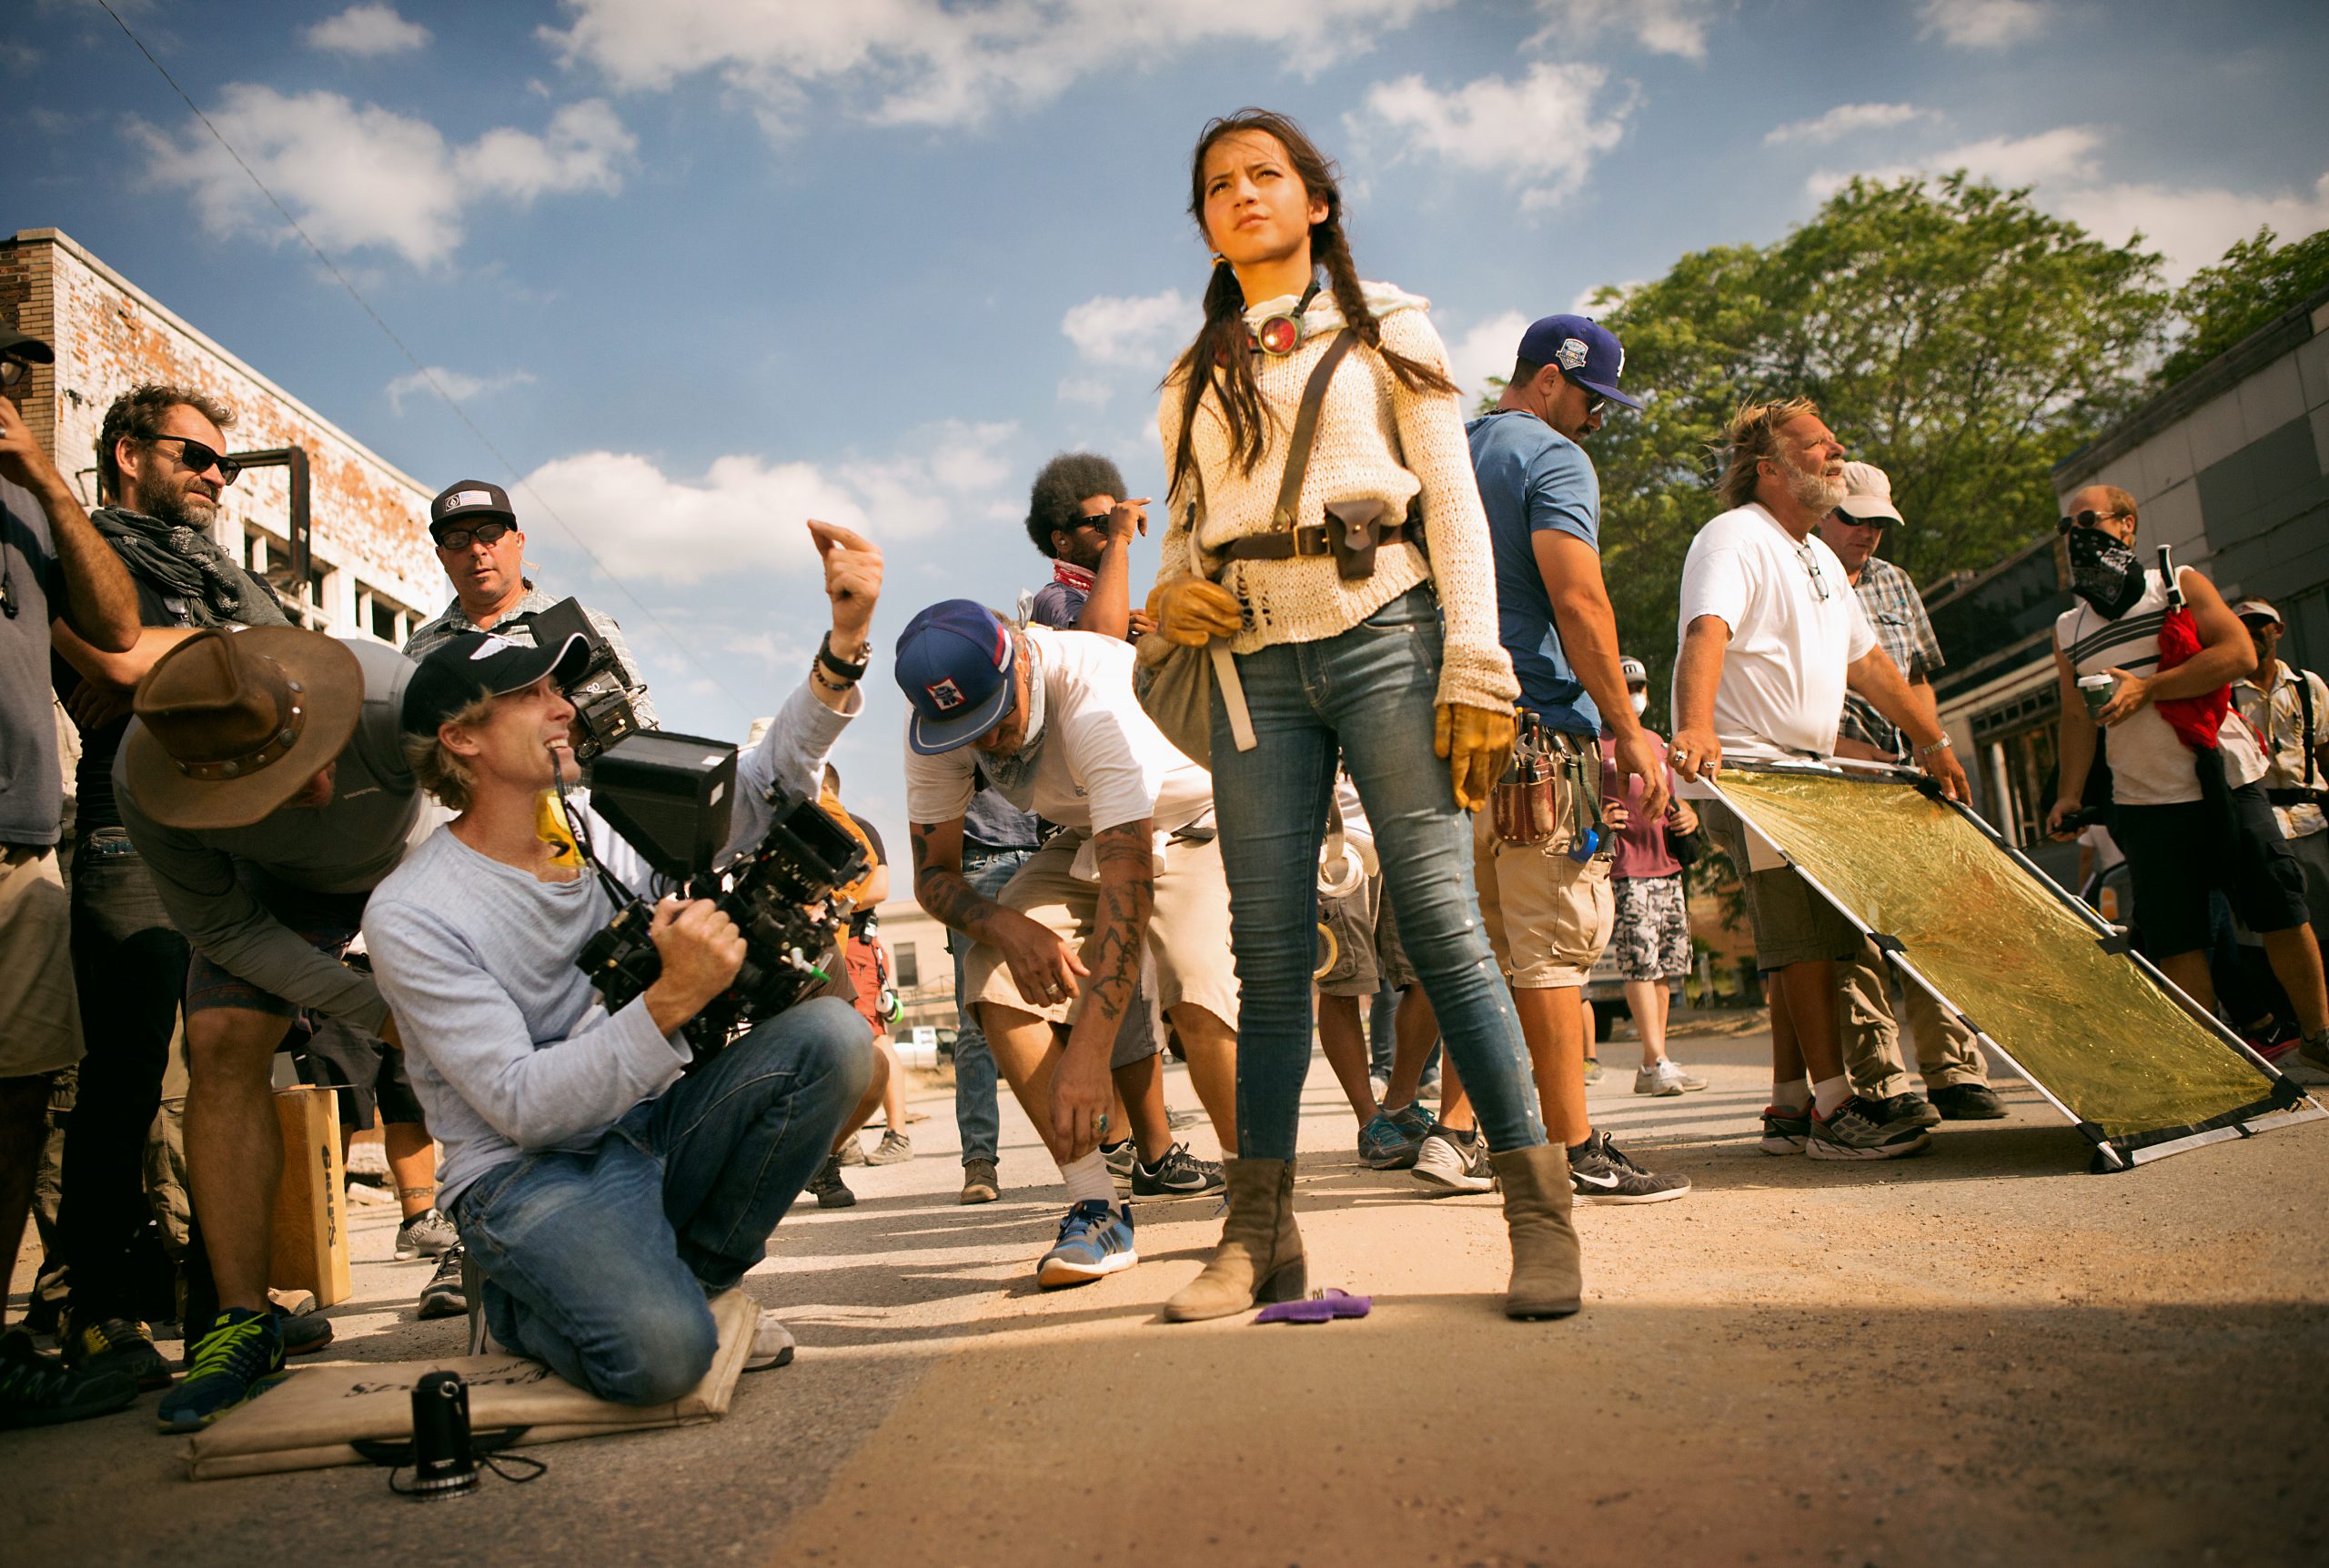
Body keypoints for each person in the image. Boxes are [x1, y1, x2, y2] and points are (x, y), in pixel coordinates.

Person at [1144, 109, 1577, 1322]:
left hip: (1390, 629)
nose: (1243, 196)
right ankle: (1257, 1237)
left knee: (1442, 922)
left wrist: (1476, 660)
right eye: (1219, 185)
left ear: (1316, 203)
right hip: (1252, 666)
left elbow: (1450, 499)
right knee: (1271, 957)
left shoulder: (1391, 322)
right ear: (1205, 219)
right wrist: (1176, 591)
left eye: (1266, 177)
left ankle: (1540, 1218)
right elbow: (1182, 534)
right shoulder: (1188, 378)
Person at [364, 521, 885, 1405]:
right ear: (461, 738)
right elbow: (522, 1107)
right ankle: (527, 1304)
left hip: (642, 1125)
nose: (566, 705)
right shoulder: (413, 910)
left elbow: (759, 784)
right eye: (529, 694)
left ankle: (697, 1276)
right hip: (529, 1174)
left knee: (835, 1038)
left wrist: (842, 648)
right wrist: (672, 997)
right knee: (662, 1361)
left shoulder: (596, 821)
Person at [113, 622, 426, 1430]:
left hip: (420, 857)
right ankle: (243, 1323)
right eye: (264, 788)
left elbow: (493, 799)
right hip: (277, 892)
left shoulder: (393, 695)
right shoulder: (145, 788)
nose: (305, 792)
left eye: (301, 759)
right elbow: (225, 931)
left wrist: (440, 994)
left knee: (486, 1015)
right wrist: (382, 1017)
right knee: (218, 1042)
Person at [41, 385, 288, 1395]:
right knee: (125, 1070)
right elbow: (106, 654)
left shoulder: (219, 570)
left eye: (225, 465)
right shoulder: (85, 546)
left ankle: (228, 1306)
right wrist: (129, 660)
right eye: (196, 457)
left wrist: (159, 661)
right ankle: (96, 1307)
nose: (216, 479)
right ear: (127, 454)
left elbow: (288, 665)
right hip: (128, 822)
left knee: (235, 1059)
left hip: (233, 831)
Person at [1668, 397, 1972, 1162]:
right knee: (1803, 943)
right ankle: (1836, 1111)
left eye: (1836, 445)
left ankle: (1790, 1104)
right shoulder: (1734, 536)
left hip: (1811, 773)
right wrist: (1696, 729)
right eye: (1818, 447)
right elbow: (1706, 631)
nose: (1836, 454)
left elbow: (1868, 664)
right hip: (1759, 770)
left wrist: (1930, 737)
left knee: (1806, 940)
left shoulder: (1820, 560)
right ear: (1769, 469)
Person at [902, 600, 1235, 1291]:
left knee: (1194, 983)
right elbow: (933, 874)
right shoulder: (938, 730)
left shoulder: (1091, 692)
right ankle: (1097, 1206)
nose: (987, 741)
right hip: (1089, 838)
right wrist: (1006, 925)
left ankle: (1255, 1189)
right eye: (968, 730)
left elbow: (1131, 884)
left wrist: (1087, 1053)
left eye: (998, 717)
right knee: (990, 976)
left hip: (1196, 821)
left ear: (1021, 657)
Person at [1465, 311, 1689, 1205]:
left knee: (1488, 947)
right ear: (1547, 379)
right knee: (1556, 943)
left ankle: (1498, 1136)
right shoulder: (1552, 460)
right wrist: (1626, 729)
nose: (1599, 417)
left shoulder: (1449, 451)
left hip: (1447, 736)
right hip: (1534, 737)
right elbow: (1578, 597)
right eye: (1591, 396)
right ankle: (1570, 1147)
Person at [2044, 488, 2329, 1067]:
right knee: (2178, 937)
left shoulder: (2177, 582)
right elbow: (2075, 715)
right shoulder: (2068, 628)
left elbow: (2237, 657)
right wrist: (2069, 794)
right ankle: (2216, 1064)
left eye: (2089, 521)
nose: (2076, 534)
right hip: (2144, 799)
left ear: (2127, 526)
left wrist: (2149, 687)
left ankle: (2321, 1036)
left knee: (2279, 908)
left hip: (2227, 781)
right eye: (2066, 525)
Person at [0, 324, 144, 1429]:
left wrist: (45, 478)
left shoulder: (26, 507)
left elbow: (116, 627)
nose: (4, 395)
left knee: (22, 1094)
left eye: (10, 380)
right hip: (71, 842)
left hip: (22, 852)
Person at [1020, 455, 1198, 1193]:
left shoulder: (1112, 596)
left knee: (1139, 991)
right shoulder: (1056, 604)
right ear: (1064, 541)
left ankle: (1141, 1148)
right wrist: (1125, 541)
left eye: (1118, 517)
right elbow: (1098, 647)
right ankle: (1145, 1151)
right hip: (1093, 826)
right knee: (1126, 991)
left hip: (1137, 808)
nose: (1118, 527)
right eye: (1098, 522)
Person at [1818, 462, 2004, 1122]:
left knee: (1934, 922)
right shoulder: (1796, 574)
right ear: (1819, 512)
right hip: (1832, 781)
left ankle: (1955, 1069)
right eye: (1853, 518)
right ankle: (1881, 1080)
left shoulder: (1895, 583)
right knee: (1855, 940)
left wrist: (1933, 746)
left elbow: (1919, 678)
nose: (1867, 533)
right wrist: (1844, 755)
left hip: (1907, 776)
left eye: (1878, 523)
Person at [404, 478, 656, 728]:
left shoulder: (582, 629)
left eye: (490, 533)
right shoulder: (420, 647)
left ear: (519, 541)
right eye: (457, 540)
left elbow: (643, 735)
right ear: (441, 557)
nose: (477, 549)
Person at [1600, 657, 1709, 1098]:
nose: (1635, 696)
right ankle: (1657, 1058)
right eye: (1626, 688)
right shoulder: (1596, 744)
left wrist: (1689, 819)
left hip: (1667, 865)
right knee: (1640, 964)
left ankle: (1655, 1061)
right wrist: (1599, 817)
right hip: (1627, 869)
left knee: (1665, 966)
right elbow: (1584, 797)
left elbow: (1675, 801)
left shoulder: (1657, 743)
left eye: (1640, 686)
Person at [2231, 598, 2329, 960]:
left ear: (2279, 629)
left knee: (2324, 925)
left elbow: (2325, 749)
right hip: (2262, 826)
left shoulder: (2307, 686)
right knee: (2277, 931)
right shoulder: (2226, 692)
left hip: (2313, 821)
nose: (2251, 630)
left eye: (2259, 622)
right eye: (2241, 624)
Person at [1025, 451, 1156, 640]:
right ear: (1062, 540)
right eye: (1104, 523)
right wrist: (1119, 537)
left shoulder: (1097, 603)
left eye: (1115, 522)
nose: (1112, 531)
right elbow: (1101, 641)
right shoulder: (1053, 598)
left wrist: (1157, 641)